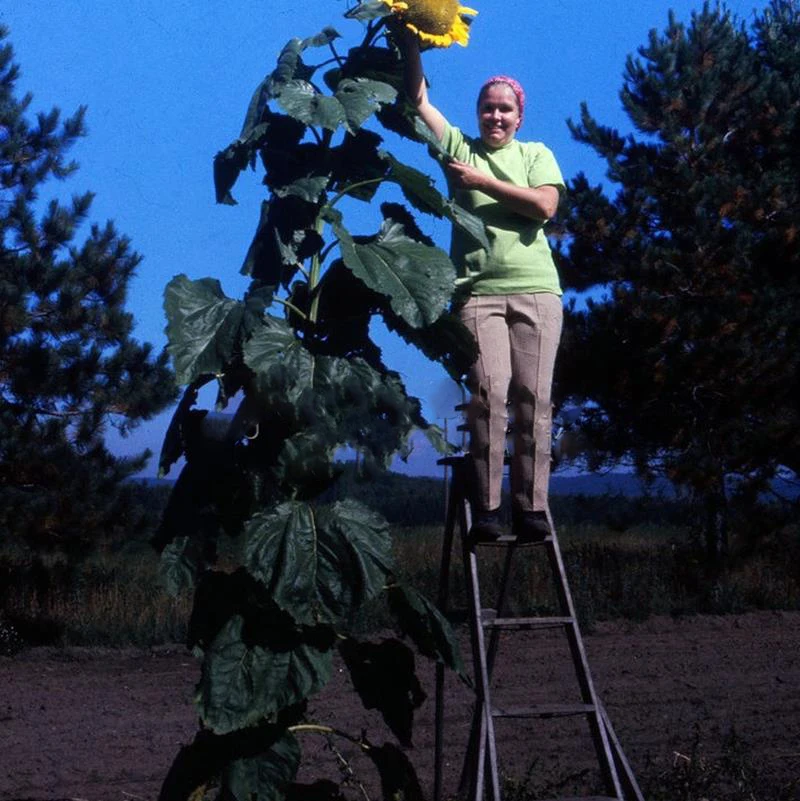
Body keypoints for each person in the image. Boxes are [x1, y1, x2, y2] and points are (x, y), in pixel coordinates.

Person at [398, 31, 565, 541]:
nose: (496, 116)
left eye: (505, 110)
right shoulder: (458, 149)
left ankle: (531, 508)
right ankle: (488, 509)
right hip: (477, 294)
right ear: (477, 114)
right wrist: (410, 41)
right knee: (489, 394)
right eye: (488, 108)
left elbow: (544, 206)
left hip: (537, 291)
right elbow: (419, 102)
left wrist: (482, 183)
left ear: (519, 117)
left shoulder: (536, 154)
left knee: (534, 398)